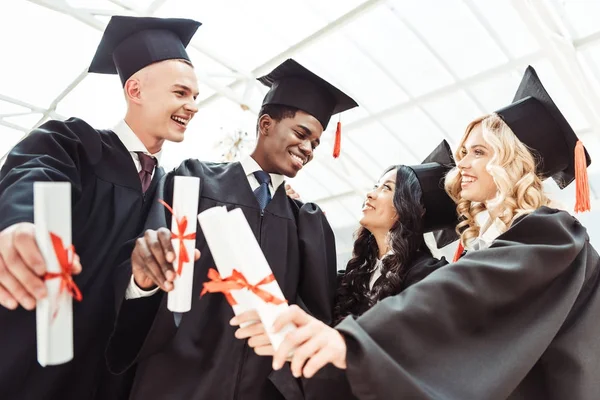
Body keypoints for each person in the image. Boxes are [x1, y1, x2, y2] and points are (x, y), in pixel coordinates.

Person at [261, 66, 599, 399]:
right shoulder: (497, 245)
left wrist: (358, 340)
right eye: (464, 152)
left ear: (513, 162)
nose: (462, 164)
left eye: (478, 153)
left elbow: (463, 292)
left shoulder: (553, 233)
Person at [105, 59, 359, 400]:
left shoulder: (306, 223)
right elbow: (146, 264)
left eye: (315, 143)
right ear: (266, 124)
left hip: (255, 389)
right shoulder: (193, 181)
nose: (309, 149)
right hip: (176, 381)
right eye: (301, 134)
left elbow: (311, 316)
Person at [0, 15, 201, 399]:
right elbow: (33, 172)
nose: (192, 106)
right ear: (135, 89)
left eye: (195, 97)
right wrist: (20, 224)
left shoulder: (172, 187)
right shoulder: (73, 143)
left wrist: (143, 282)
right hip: (30, 357)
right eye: (180, 93)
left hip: (103, 377)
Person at [234, 140, 459, 399]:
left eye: (386, 188)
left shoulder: (428, 278)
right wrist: (291, 212)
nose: (371, 193)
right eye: (375, 185)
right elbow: (308, 285)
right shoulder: (356, 274)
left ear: (412, 208)